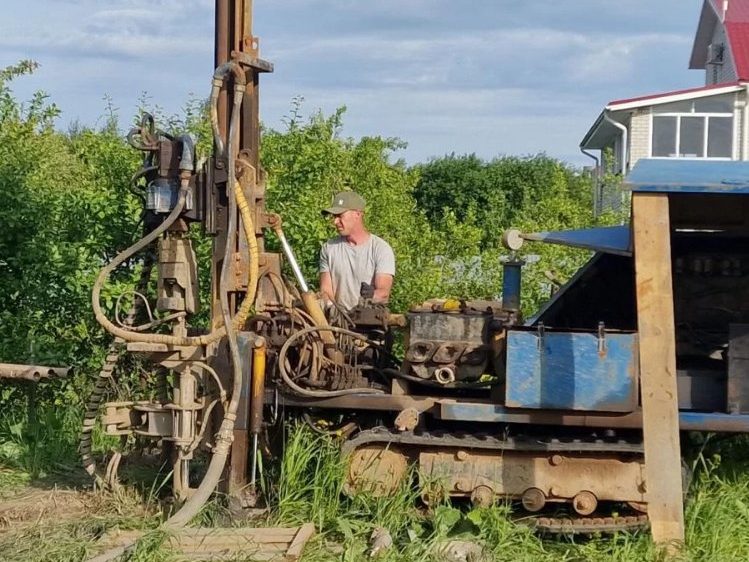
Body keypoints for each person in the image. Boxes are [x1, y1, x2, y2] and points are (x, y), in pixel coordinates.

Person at [319, 191, 395, 311]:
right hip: (338, 324)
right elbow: (326, 290)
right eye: (334, 217)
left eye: (340, 216)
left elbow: (383, 293)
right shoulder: (329, 248)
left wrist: (369, 297)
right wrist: (331, 309)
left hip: (370, 324)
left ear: (357, 214)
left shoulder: (381, 249)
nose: (335, 222)